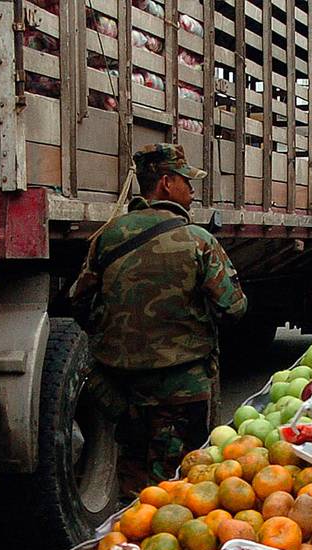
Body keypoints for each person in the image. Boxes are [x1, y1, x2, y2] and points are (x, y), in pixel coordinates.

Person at [69, 144, 246, 496]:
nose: (192, 191)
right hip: (183, 391)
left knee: (133, 486)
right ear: (165, 183)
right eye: (186, 182)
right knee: (180, 488)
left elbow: (79, 301)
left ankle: (127, 542)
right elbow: (234, 307)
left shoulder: (109, 236)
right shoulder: (198, 240)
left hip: (122, 391)